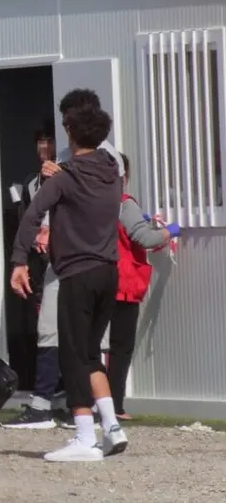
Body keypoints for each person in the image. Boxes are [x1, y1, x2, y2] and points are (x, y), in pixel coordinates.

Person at [10, 102, 127, 462]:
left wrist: (18, 262)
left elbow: (32, 215)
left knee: (73, 356)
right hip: (108, 271)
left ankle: (83, 436)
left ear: (70, 133)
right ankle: (111, 425)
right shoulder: (114, 173)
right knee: (91, 352)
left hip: (76, 273)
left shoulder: (64, 176)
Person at [107, 153, 177, 419]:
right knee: (120, 347)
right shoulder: (125, 204)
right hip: (124, 284)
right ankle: (115, 406)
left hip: (98, 280)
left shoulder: (96, 205)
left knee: (96, 347)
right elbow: (144, 238)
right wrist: (171, 230)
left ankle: (94, 403)